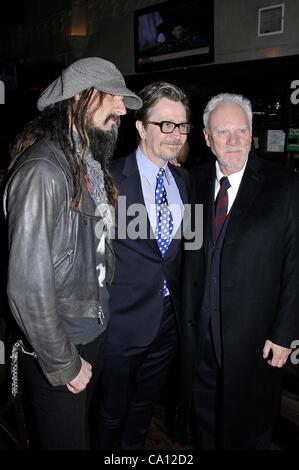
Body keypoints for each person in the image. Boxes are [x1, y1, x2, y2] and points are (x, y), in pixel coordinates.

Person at [3, 57, 142, 449]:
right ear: (80, 97)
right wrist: (63, 362)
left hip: (89, 331)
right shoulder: (43, 171)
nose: (121, 110)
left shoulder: (85, 163)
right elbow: (26, 288)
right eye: (113, 97)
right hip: (61, 343)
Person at [178, 93, 299, 450]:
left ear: (252, 134)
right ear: (206, 137)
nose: (233, 140)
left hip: (255, 343)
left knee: (252, 433)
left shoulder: (285, 186)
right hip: (199, 340)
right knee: (204, 428)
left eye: (241, 130)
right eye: (223, 131)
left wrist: (284, 333)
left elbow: (295, 264)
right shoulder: (192, 183)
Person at [96, 81, 191, 450]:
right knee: (112, 412)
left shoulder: (184, 180)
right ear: (140, 126)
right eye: (165, 124)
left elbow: (184, 249)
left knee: (143, 409)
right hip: (121, 323)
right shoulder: (108, 179)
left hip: (168, 323)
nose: (175, 134)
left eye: (181, 125)